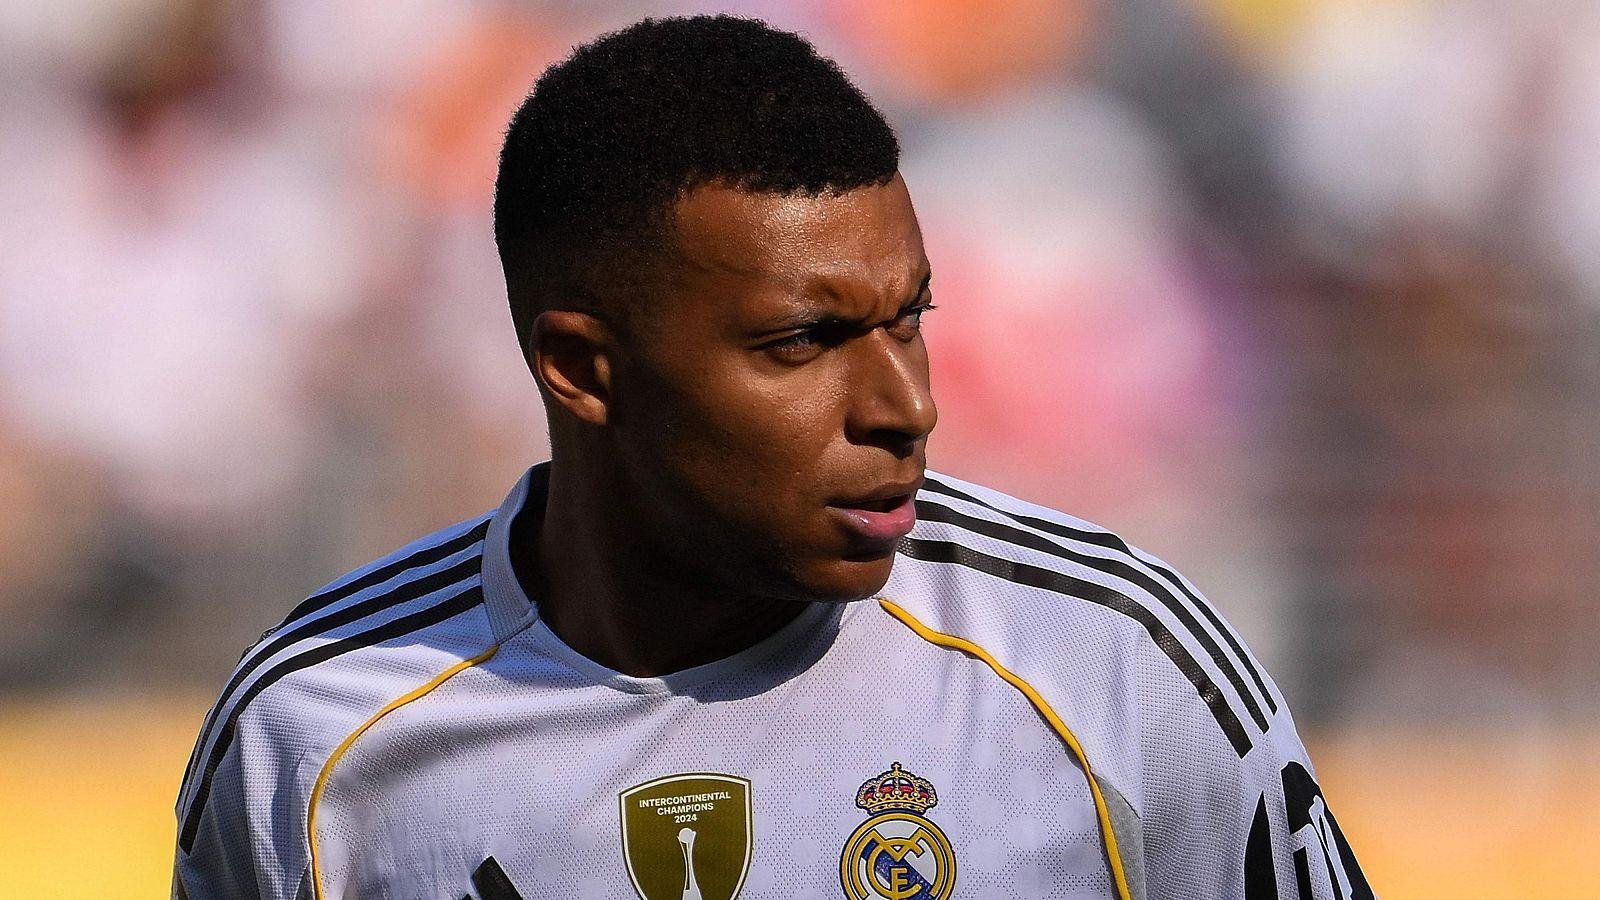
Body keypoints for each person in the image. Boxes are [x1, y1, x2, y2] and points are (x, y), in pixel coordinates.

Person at [173, 15, 1369, 900]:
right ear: (583, 369)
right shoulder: (314, 734)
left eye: (909, 319)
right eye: (803, 342)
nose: (907, 407)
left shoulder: (1117, 662)